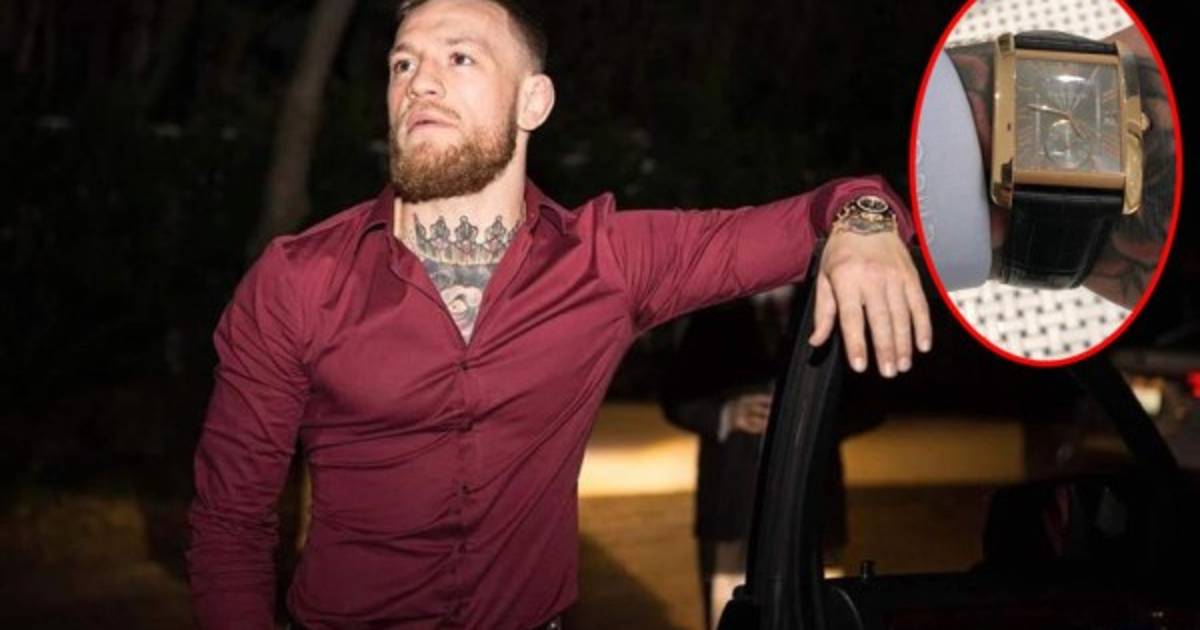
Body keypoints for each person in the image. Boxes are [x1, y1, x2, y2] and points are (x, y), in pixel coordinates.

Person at [185, 1, 932, 628]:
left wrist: (865, 222)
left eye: (459, 58)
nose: (420, 83)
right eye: (402, 64)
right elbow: (230, 524)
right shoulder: (299, 279)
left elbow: (819, 211)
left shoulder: (605, 263)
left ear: (533, 102)